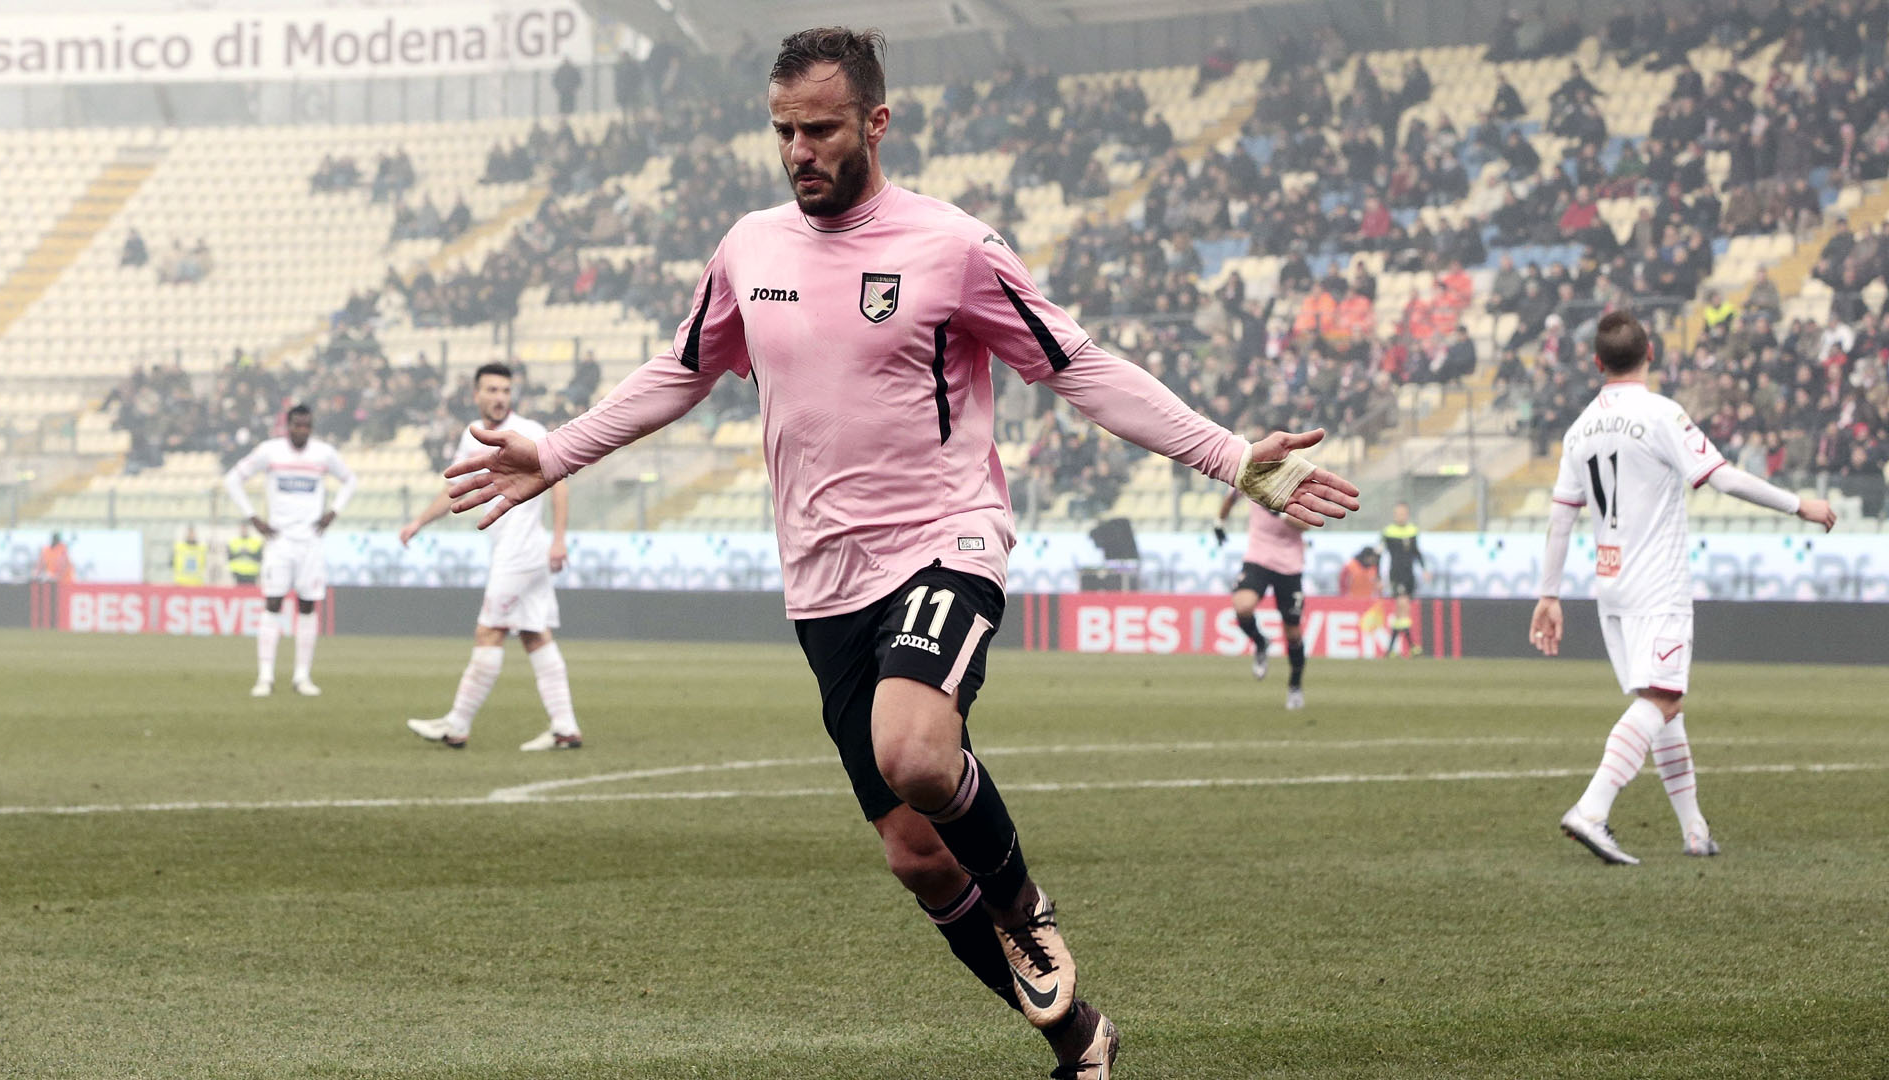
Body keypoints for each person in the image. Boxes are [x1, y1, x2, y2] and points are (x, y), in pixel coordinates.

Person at [440, 27, 1360, 1080]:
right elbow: (681, 370)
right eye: (783, 130)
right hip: (821, 582)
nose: (799, 150)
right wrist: (555, 452)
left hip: (943, 540)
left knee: (917, 754)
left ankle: (1023, 906)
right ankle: (1080, 1040)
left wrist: (1232, 456)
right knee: (915, 855)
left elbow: (1077, 365)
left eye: (821, 128)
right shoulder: (749, 248)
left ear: (876, 122)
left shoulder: (953, 246)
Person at [1532, 311, 1835, 865]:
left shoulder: (1579, 428)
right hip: (1657, 585)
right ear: (1651, 353)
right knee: (1664, 696)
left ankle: (1695, 830)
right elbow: (1722, 476)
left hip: (1611, 587)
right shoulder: (1660, 413)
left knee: (1662, 704)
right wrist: (1800, 504)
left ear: (1597, 363)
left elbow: (1560, 516)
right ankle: (1592, 810)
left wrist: (1549, 594)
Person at [401, 363, 582, 752]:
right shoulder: (473, 437)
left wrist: (560, 539)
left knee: (489, 631)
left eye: (505, 390)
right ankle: (565, 728)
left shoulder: (529, 432)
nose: (500, 397)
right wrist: (419, 521)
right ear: (476, 394)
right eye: (492, 390)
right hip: (514, 550)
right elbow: (455, 489)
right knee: (535, 635)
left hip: (521, 551)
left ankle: (457, 725)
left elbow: (559, 484)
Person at [222, 404, 357, 698]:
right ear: (287, 426)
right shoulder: (269, 451)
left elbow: (350, 480)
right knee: (272, 604)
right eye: (297, 425)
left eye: (307, 426)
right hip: (279, 542)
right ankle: (265, 676)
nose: (302, 431)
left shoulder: (323, 454)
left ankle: (302, 676)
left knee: (308, 607)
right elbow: (232, 479)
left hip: (310, 542)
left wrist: (334, 511)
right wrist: (253, 517)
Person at [1216, 490, 1309, 710]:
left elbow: (1307, 523)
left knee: (1293, 634)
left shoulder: (1299, 482)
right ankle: (1260, 642)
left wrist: (1280, 513)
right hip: (1258, 558)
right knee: (1242, 606)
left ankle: (1295, 685)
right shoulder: (1253, 474)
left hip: (1290, 566)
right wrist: (1219, 522)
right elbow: (1231, 497)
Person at [1381, 502, 1427, 656]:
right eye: (1398, 513)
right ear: (1395, 515)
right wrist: (1378, 577)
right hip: (1396, 575)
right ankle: (1412, 645)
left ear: (1407, 514)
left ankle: (1390, 649)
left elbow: (1416, 552)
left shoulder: (1412, 531)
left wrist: (1424, 569)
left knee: (1401, 611)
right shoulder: (1388, 532)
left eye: (1403, 513)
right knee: (1403, 606)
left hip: (1409, 575)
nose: (1401, 516)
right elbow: (1380, 554)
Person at [227, 521, 263, 586]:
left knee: (251, 594)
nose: (243, 530)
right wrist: (240, 553)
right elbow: (230, 557)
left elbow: (259, 557)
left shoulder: (256, 542)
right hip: (238, 574)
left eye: (245, 528)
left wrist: (248, 553)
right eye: (242, 528)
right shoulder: (233, 542)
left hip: (252, 574)